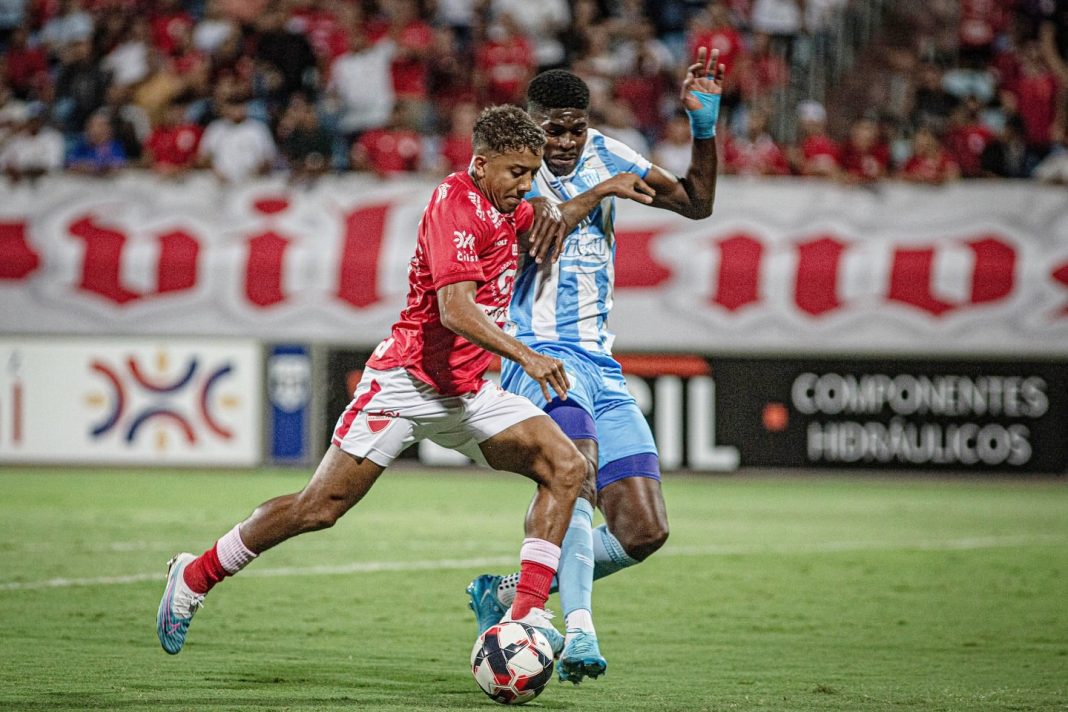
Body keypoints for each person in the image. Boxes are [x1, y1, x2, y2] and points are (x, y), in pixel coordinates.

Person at [156, 105, 651, 660]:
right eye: (517, 172)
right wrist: (527, 356)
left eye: (532, 174)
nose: (525, 184)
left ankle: (524, 615)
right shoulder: (454, 206)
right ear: (481, 165)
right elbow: (454, 311)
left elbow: (547, 216)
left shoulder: (506, 204)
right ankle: (195, 575)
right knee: (318, 508)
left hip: (466, 393)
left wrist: (599, 190)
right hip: (406, 384)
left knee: (566, 467)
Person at [466, 48, 724, 684]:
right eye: (552, 128)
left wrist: (704, 127)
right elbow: (540, 235)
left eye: (575, 129)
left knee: (644, 530)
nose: (564, 141)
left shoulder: (608, 152)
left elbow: (696, 202)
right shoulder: (514, 173)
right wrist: (605, 188)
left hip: (601, 362)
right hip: (538, 353)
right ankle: (578, 627)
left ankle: (503, 594)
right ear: (530, 126)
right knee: (573, 471)